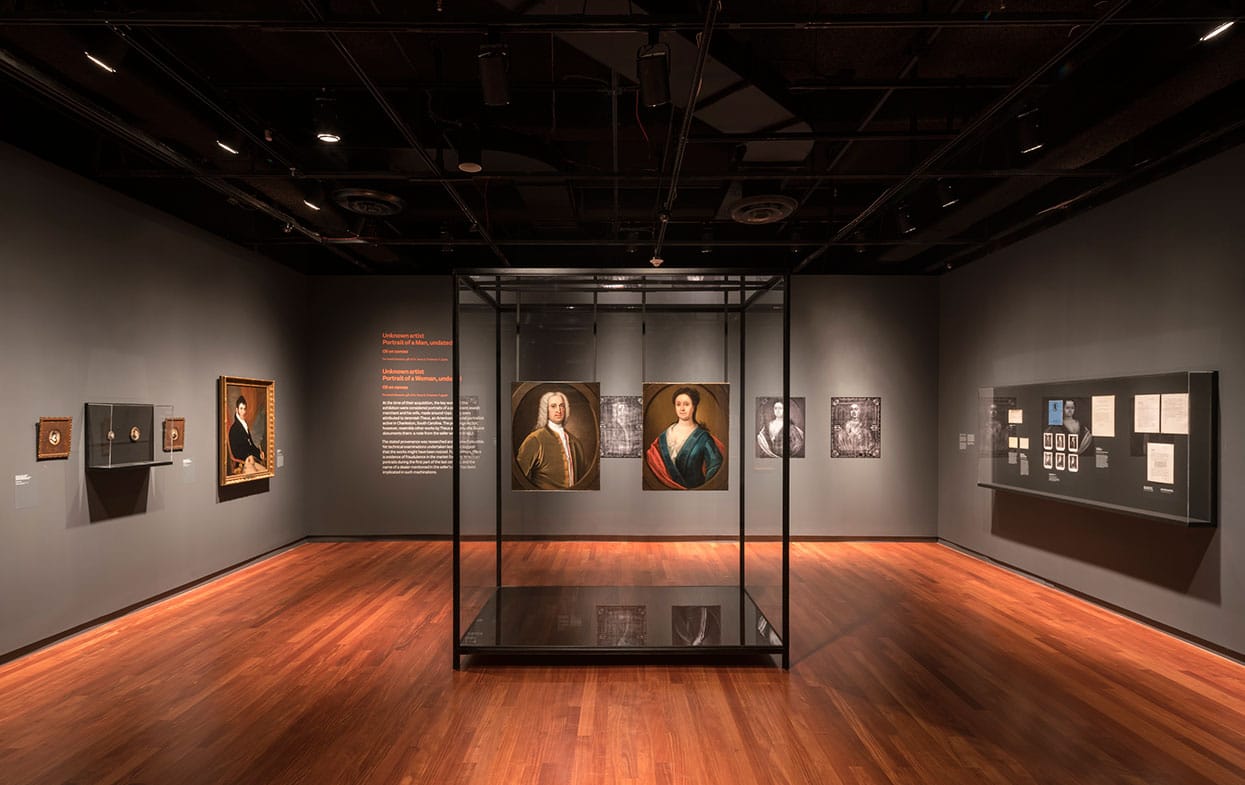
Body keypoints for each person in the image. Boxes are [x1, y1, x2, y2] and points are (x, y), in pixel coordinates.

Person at [646, 386, 725, 489]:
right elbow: (653, 461)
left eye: (686, 404)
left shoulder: (703, 437)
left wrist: (704, 489)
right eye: (678, 404)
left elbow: (715, 465)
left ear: (694, 406)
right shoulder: (664, 437)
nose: (682, 409)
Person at [515, 390, 587, 489]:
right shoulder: (535, 439)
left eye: (561, 406)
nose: (558, 410)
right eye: (553, 406)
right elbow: (518, 479)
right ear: (546, 410)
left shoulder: (575, 442)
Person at [228, 395, 266, 474]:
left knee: (264, 471)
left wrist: (259, 453)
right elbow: (236, 451)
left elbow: (250, 445)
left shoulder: (245, 425)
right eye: (241, 408)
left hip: (250, 459)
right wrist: (248, 456)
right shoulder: (234, 429)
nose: (243, 412)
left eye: (245, 409)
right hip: (242, 462)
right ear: (237, 410)